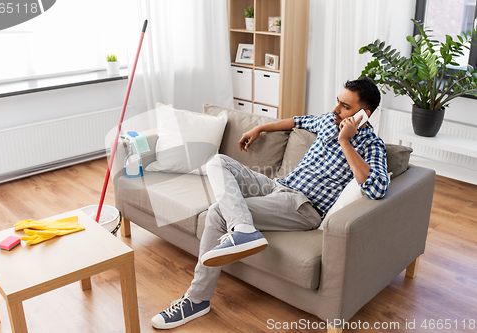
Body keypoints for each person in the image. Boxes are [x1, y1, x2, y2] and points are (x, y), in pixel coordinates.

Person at [151, 77, 390, 329]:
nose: (336, 110)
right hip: (278, 185)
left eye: (345, 107)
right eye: (337, 102)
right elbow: (297, 121)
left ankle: (196, 299)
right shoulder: (328, 121)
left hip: (303, 207)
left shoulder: (372, 145)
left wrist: (345, 141)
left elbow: (376, 188)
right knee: (218, 162)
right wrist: (261, 129)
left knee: (217, 212)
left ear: (364, 114)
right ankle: (243, 230)